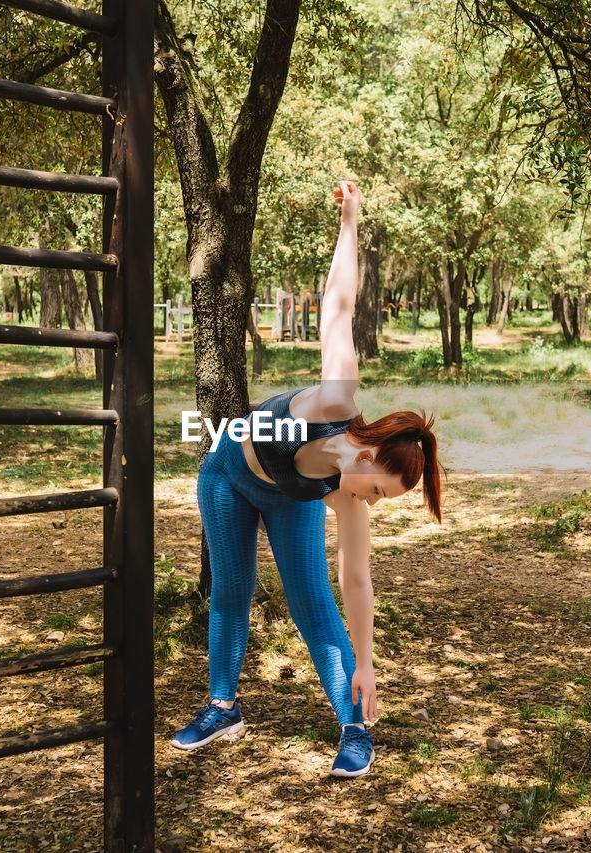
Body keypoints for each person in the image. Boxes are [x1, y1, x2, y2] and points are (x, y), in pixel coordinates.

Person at [171, 180, 443, 778]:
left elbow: (357, 584)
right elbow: (338, 308)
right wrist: (350, 224)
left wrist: (367, 664)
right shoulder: (334, 400)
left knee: (311, 602)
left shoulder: (344, 495)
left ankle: (353, 726)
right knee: (231, 593)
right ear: (366, 453)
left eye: (379, 501)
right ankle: (222, 707)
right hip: (226, 475)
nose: (369, 501)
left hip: (288, 496)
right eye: (375, 489)